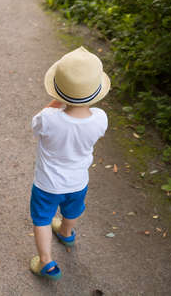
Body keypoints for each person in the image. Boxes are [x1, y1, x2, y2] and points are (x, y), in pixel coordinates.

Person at [29, 46, 110, 280]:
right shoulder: (100, 119)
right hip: (78, 181)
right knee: (72, 210)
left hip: (47, 184)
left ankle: (46, 263)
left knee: (42, 218)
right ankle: (66, 232)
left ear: (59, 91)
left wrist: (56, 102)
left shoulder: (48, 118)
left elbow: (35, 125)